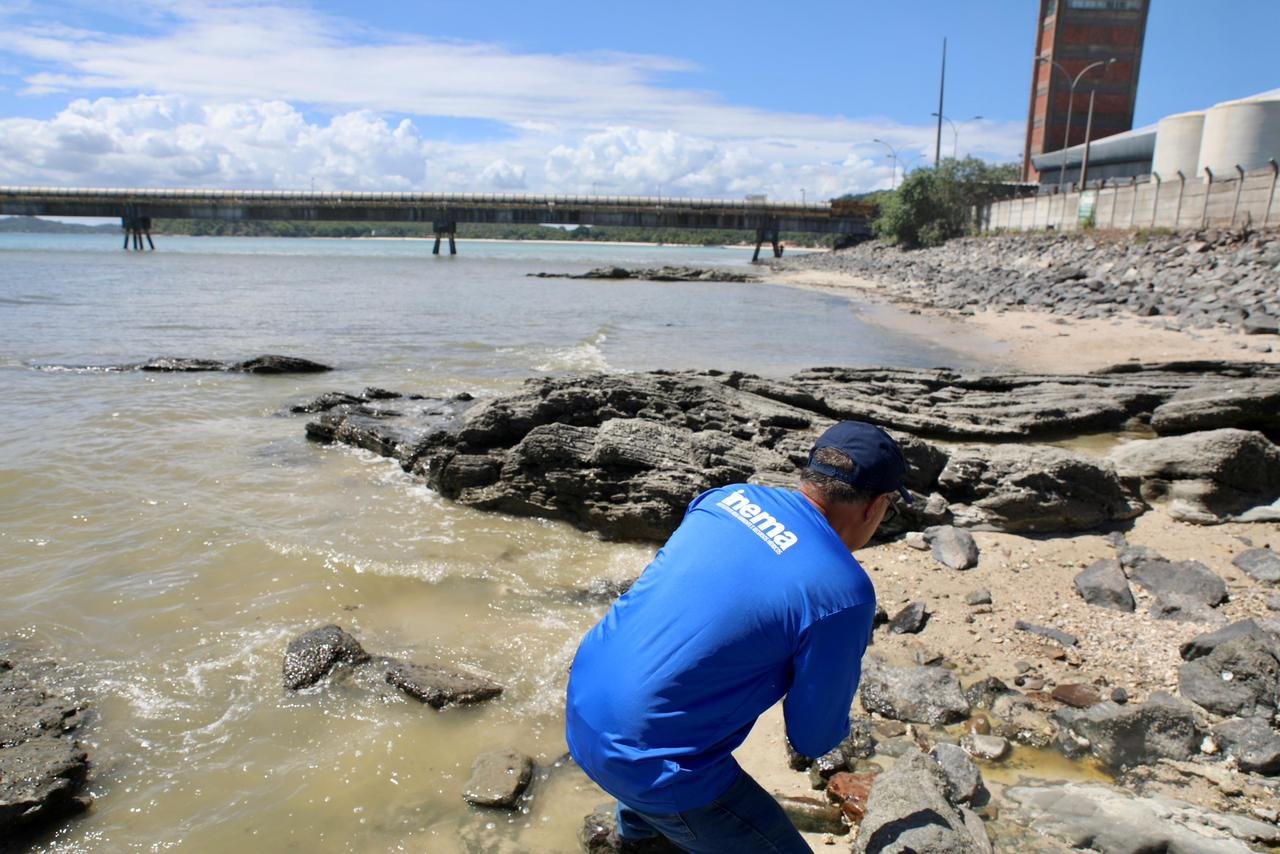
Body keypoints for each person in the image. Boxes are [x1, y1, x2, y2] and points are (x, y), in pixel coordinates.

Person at [565, 420, 911, 852]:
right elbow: (813, 739)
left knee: (655, 742)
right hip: (651, 762)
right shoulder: (843, 592)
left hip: (583, 708)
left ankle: (638, 837)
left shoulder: (728, 498)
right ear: (875, 506)